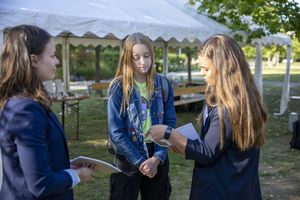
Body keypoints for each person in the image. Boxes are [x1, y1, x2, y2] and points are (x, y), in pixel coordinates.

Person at [147, 34, 267, 200]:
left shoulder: (228, 107)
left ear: (224, 68)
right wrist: (184, 145)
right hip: (235, 186)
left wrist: (169, 133)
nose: (201, 73)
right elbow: (216, 145)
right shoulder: (235, 98)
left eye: (206, 69)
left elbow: (207, 153)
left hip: (223, 189)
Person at [0, 25, 95, 200]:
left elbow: (33, 162)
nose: (57, 62)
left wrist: (67, 166)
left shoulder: (25, 103)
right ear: (34, 60)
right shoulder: (24, 111)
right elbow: (40, 184)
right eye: (52, 56)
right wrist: (78, 175)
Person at [107, 32, 176, 200]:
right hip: (127, 155)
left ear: (152, 55)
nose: (142, 62)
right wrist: (140, 161)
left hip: (157, 153)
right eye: (136, 57)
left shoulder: (163, 84)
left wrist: (157, 158)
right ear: (127, 59)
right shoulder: (118, 87)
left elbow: (169, 123)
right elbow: (115, 132)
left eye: (146, 56)